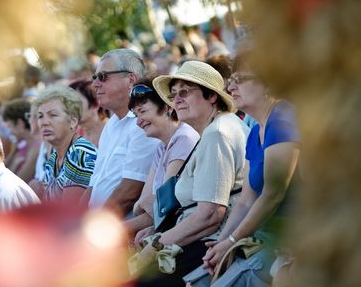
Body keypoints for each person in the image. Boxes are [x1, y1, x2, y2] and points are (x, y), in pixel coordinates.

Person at [133, 60, 249, 286]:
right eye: (174, 94)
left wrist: (156, 243)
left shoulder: (218, 134)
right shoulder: (215, 129)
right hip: (199, 239)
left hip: (209, 246)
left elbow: (210, 215)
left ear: (212, 96)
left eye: (185, 92)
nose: (176, 99)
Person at [202, 55, 300, 286]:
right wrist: (221, 243)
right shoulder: (256, 131)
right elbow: (246, 200)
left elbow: (273, 195)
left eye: (240, 79)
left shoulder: (283, 119)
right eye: (231, 80)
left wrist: (234, 240)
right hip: (265, 235)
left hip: (294, 237)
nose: (230, 86)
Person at [86, 48, 159, 216]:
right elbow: (94, 185)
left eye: (103, 77)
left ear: (131, 80)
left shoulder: (144, 123)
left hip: (120, 231)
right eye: (95, 77)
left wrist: (90, 229)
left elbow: (130, 192)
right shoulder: (112, 124)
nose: (95, 84)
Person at [124, 78, 200, 237]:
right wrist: (146, 204)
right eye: (136, 115)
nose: (138, 122)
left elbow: (164, 207)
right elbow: (141, 205)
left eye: (143, 111)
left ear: (167, 107)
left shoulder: (184, 138)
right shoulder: (162, 146)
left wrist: (116, 231)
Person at [34, 85, 97, 203]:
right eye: (40, 116)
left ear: (73, 121)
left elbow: (69, 213)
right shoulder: (54, 156)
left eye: (53, 115)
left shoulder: (81, 153)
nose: (44, 122)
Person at [2, 98, 42, 182]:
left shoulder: (37, 147)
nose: (9, 132)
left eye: (9, 126)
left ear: (20, 124)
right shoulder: (21, 145)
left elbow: (19, 181)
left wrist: (14, 166)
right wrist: (13, 152)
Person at [69, 79, 109, 147]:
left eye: (77, 103)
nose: (70, 108)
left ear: (95, 104)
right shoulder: (74, 135)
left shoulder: (111, 130)